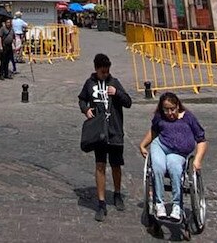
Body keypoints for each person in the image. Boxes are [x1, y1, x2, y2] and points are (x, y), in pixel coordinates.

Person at [78, 52, 132, 222]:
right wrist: (86, 110)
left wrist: (117, 93)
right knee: (100, 165)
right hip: (99, 133)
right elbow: (81, 99)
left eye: (107, 71)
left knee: (116, 165)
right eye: (102, 72)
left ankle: (117, 194)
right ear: (96, 69)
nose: (105, 74)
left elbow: (128, 102)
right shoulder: (89, 84)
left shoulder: (114, 83)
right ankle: (101, 202)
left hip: (115, 131)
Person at [138, 92, 207, 222]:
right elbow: (154, 131)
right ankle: (159, 204)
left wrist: (197, 160)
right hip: (161, 146)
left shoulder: (188, 117)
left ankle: (177, 206)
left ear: (177, 106)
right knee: (157, 168)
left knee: (175, 169)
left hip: (178, 153)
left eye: (172, 109)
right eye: (166, 110)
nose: (170, 113)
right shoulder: (159, 117)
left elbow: (201, 140)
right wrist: (143, 145)